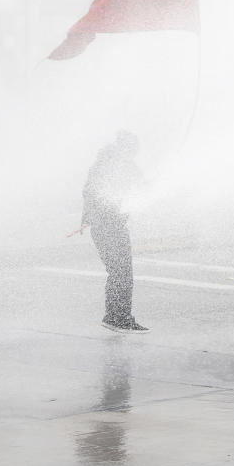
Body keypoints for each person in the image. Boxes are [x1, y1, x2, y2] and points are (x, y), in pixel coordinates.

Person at [81, 130, 149, 333]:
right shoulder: (118, 165)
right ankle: (118, 318)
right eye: (134, 148)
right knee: (121, 272)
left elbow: (89, 191)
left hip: (106, 225)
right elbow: (138, 186)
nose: (136, 152)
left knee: (118, 271)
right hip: (109, 225)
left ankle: (115, 316)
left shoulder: (105, 163)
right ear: (127, 147)